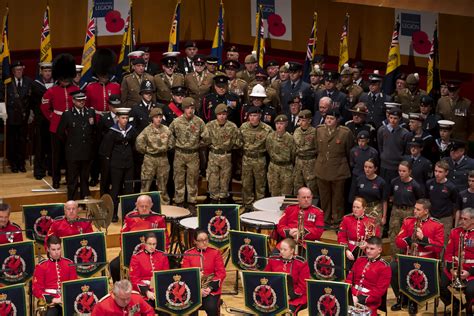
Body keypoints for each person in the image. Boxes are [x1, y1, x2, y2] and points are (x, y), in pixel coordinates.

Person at [391, 199, 444, 314]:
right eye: (415, 208)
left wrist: (423, 239)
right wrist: (409, 240)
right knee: (393, 267)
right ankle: (401, 298)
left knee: (416, 270)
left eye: (418, 209)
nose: (414, 211)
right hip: (408, 256)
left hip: (425, 259)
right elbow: (398, 241)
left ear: (426, 211)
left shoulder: (437, 225)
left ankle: (414, 302)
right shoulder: (408, 221)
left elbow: (439, 248)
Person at [109, 194, 169, 283]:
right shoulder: (129, 217)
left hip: (154, 253)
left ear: (151, 205)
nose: (144, 208)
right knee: (114, 265)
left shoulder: (159, 218)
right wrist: (125, 250)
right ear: (136, 205)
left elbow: (165, 238)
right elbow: (122, 237)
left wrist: (165, 249)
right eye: (141, 206)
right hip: (133, 253)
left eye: (146, 206)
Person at [40, 54, 79, 188]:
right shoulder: (51, 91)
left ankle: (70, 178)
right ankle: (55, 179)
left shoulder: (76, 90)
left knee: (71, 155)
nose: (65, 81)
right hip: (56, 126)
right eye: (63, 79)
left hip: (72, 126)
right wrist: (52, 118)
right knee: (56, 155)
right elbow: (45, 107)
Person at [315, 109, 353, 225]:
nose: (329, 121)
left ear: (337, 120)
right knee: (324, 197)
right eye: (327, 118)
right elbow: (317, 148)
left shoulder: (345, 132)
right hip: (322, 168)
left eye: (331, 119)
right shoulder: (319, 130)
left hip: (339, 169)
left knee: (338, 198)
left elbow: (349, 151)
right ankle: (325, 220)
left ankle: (337, 221)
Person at [56, 90, 96, 200]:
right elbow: (60, 133)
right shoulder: (68, 114)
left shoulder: (90, 112)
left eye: (83, 100)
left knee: (85, 178)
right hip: (73, 152)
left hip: (87, 151)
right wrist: (70, 143)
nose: (82, 102)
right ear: (73, 101)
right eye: (79, 100)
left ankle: (85, 200)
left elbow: (93, 131)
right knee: (72, 179)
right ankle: (72, 201)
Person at [99, 107, 137, 221]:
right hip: (116, 165)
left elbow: (136, 145)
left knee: (129, 190)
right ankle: (113, 214)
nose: (125, 120)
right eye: (123, 118)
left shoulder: (131, 130)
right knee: (115, 190)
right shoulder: (112, 132)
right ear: (117, 118)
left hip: (129, 165)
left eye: (126, 118)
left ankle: (128, 214)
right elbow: (105, 151)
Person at [169, 97, 205, 214]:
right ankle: (179, 202)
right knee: (179, 179)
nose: (190, 110)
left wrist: (198, 145)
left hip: (193, 154)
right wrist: (175, 145)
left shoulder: (199, 122)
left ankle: (191, 203)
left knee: (192, 180)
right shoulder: (176, 121)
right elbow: (169, 135)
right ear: (183, 109)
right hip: (180, 153)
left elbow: (206, 137)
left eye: (192, 108)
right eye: (188, 108)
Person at [202, 103, 241, 203]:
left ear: (227, 115)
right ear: (216, 115)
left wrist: (227, 148)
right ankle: (214, 200)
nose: (222, 116)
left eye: (224, 114)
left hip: (226, 156)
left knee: (225, 179)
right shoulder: (210, 125)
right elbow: (205, 140)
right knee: (213, 179)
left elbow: (238, 143)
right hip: (213, 156)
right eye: (219, 114)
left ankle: (224, 200)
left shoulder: (232, 127)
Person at [182, 230, 226, 316]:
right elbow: (186, 275)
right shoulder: (188, 254)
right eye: (201, 240)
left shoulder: (215, 253)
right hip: (193, 290)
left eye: (206, 239)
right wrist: (198, 290)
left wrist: (209, 288)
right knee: (191, 307)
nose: (205, 242)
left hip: (211, 289)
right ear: (194, 241)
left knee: (211, 307)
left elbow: (221, 273)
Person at [440, 207, 474, 315]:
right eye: (461, 218)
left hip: (471, 270)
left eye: (465, 219)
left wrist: (470, 272)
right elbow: (448, 253)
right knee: (438, 284)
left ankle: (469, 310)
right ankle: (455, 304)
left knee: (470, 291)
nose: (461, 221)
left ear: (473, 220)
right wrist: (451, 270)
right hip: (455, 268)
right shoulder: (455, 232)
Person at [32, 235, 78, 316]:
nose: (57, 252)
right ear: (48, 249)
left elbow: (74, 286)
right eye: (53, 249)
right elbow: (36, 289)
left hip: (67, 301)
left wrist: (65, 298)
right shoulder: (41, 266)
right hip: (50, 303)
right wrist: (53, 299)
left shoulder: (69, 264)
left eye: (58, 249)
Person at [135, 107, 173, 203]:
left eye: (160, 117)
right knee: (145, 184)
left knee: (163, 185)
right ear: (152, 118)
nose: (158, 119)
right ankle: (142, 205)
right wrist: (148, 150)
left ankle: (165, 206)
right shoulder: (147, 130)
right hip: (150, 159)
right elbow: (139, 143)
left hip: (163, 158)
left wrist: (165, 148)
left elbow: (172, 142)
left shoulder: (166, 129)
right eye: (156, 117)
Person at [345, 236, 391, 315]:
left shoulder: (384, 267)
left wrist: (358, 299)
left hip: (369, 303)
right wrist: (349, 295)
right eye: (367, 248)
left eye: (372, 249)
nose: (368, 251)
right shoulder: (360, 260)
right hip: (351, 296)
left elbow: (378, 292)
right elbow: (349, 279)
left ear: (379, 250)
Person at [264, 238, 310, 314]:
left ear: (292, 250)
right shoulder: (273, 259)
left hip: (295, 297)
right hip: (275, 294)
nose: (281, 252)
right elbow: (266, 276)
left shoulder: (301, 263)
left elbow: (303, 286)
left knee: (287, 312)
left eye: (285, 250)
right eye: (281, 249)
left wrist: (289, 296)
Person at [239, 106, 272, 211]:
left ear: (260, 116)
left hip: (260, 160)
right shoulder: (243, 127)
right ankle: (247, 206)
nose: (252, 118)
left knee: (260, 185)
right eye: (251, 116)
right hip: (247, 159)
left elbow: (271, 146)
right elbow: (239, 142)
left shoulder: (267, 129)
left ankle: (259, 207)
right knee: (246, 184)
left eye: (255, 116)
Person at [388, 161, 424, 256]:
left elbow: (419, 200)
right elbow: (390, 196)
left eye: (404, 171)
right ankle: (395, 258)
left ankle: (406, 256)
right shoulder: (394, 182)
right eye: (399, 170)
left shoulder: (415, 185)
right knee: (393, 234)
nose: (401, 173)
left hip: (409, 211)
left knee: (409, 235)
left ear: (409, 171)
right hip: (396, 210)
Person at [4, 61, 33, 173]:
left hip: (23, 117)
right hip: (11, 117)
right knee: (12, 141)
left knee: (22, 141)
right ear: (13, 71)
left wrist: (31, 113)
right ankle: (13, 163)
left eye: (21, 69)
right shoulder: (7, 82)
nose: (19, 71)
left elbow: (31, 99)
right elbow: (3, 98)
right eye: (17, 69)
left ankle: (21, 163)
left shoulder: (28, 81)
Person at [338, 197, 381, 269]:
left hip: (366, 251)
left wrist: (367, 245)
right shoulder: (346, 219)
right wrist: (346, 250)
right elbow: (341, 237)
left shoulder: (371, 220)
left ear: (364, 209)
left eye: (358, 207)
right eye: (354, 207)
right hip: (350, 249)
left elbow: (376, 238)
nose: (355, 209)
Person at [129, 232, 169, 301]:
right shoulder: (136, 257)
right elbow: (134, 280)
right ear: (145, 243)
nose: (152, 247)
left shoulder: (162, 256)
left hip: (160, 288)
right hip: (144, 291)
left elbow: (166, 275)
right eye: (149, 244)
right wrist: (147, 292)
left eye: (154, 244)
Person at [31, 62, 54, 179]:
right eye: (45, 71)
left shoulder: (56, 84)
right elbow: (45, 96)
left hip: (52, 120)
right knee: (40, 147)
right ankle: (39, 171)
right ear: (41, 72)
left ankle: (51, 169)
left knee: (52, 146)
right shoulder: (36, 85)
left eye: (49, 71)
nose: (47, 73)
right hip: (41, 121)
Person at [426, 160, 458, 241]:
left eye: (440, 172)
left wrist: (452, 217)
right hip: (431, 217)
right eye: (435, 171)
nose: (437, 174)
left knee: (443, 242)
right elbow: (426, 200)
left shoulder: (451, 187)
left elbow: (455, 204)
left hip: (445, 219)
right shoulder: (429, 183)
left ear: (446, 173)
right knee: (429, 240)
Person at [377, 107, 410, 186]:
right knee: (384, 188)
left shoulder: (405, 133)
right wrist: (383, 155)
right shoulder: (382, 130)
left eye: (395, 118)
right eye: (391, 118)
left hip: (397, 166)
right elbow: (380, 145)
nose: (392, 120)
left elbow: (406, 150)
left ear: (400, 119)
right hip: (384, 165)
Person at [97, 95, 121, 195]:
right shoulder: (104, 118)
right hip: (107, 153)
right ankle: (104, 198)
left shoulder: (123, 118)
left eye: (118, 106)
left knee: (117, 178)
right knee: (105, 177)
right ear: (109, 106)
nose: (116, 108)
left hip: (119, 152)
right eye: (114, 106)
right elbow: (99, 136)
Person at [354, 158, 388, 227]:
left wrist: (384, 217)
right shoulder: (359, 179)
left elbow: (384, 201)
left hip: (375, 210)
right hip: (362, 209)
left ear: (375, 169)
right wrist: (355, 210)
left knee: (374, 234)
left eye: (370, 167)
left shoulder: (381, 182)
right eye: (365, 167)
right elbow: (356, 197)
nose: (367, 169)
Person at [266, 114, 295, 196]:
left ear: (286, 124)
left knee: (286, 193)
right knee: (274, 192)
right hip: (274, 167)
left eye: (281, 124)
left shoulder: (290, 138)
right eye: (277, 123)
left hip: (286, 168)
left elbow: (293, 154)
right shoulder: (270, 137)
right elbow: (268, 149)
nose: (279, 126)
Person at [293, 109, 318, 196]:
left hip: (310, 162)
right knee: (297, 185)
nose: (301, 122)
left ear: (309, 120)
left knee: (311, 186)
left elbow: (316, 147)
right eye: (300, 120)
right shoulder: (297, 131)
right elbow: (295, 145)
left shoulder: (314, 132)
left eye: (303, 120)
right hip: (299, 161)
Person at [349, 131, 379, 203]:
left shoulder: (373, 152)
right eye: (359, 141)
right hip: (356, 176)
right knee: (353, 197)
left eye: (363, 141)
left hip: (367, 177)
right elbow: (352, 163)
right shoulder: (353, 151)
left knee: (365, 198)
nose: (361, 143)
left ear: (368, 140)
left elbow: (375, 165)